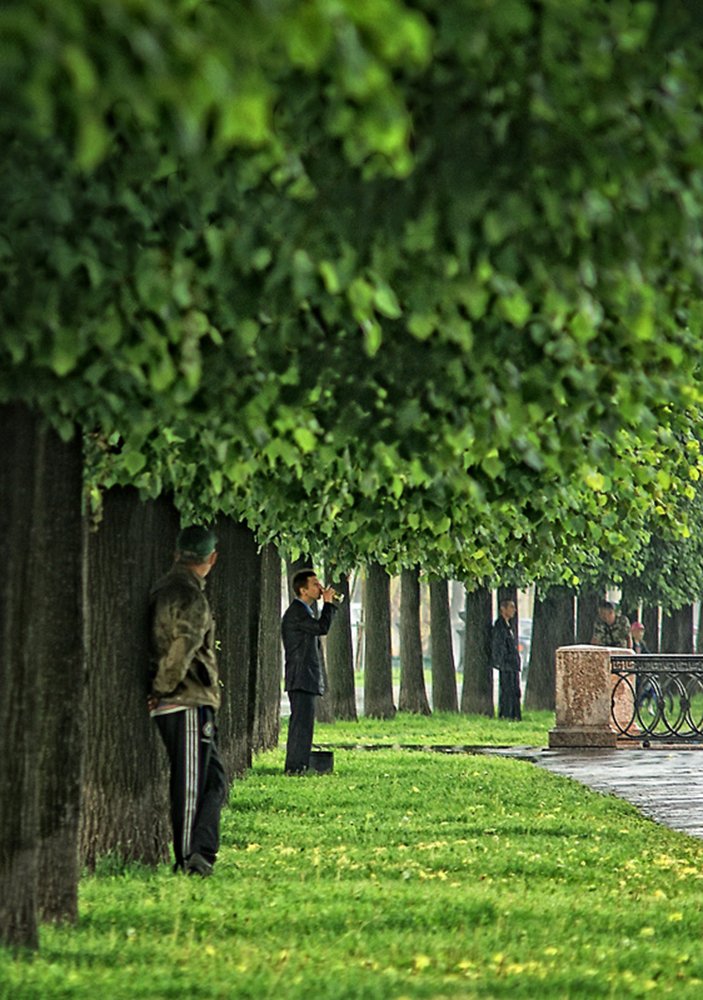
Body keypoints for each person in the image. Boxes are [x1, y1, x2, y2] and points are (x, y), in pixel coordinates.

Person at [148, 525, 226, 877]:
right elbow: (185, 645)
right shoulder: (189, 595)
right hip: (185, 700)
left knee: (213, 780)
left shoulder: (167, 586)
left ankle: (202, 852)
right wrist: (163, 687)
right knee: (191, 783)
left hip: (189, 699)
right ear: (211, 559)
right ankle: (186, 860)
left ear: (177, 553)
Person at [282, 569, 338, 774]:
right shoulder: (297, 613)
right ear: (303, 590)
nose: (319, 587)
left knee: (304, 724)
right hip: (301, 676)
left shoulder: (304, 611)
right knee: (300, 725)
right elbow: (322, 628)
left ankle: (299, 765)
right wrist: (329, 604)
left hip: (304, 676)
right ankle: (295, 767)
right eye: (314, 584)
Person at [492, 598, 522, 721]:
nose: (513, 610)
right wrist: (502, 661)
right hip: (507, 664)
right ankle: (506, 714)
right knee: (507, 691)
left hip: (512, 664)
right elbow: (499, 645)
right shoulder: (500, 626)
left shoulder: (508, 625)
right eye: (511, 607)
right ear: (503, 609)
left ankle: (514, 714)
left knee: (514, 690)